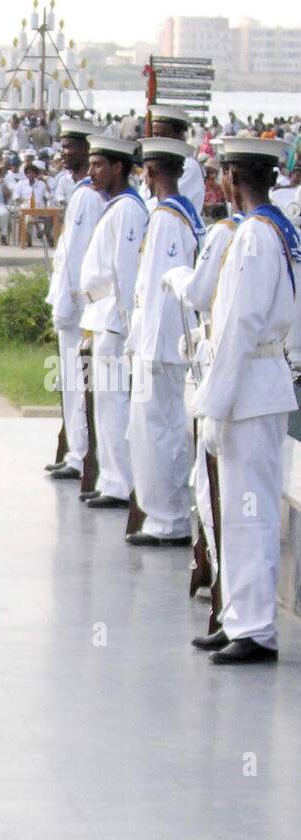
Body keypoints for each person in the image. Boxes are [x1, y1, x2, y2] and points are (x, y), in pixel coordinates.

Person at [182, 138, 300, 663]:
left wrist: (213, 401)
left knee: (248, 511)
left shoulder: (254, 235)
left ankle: (255, 628)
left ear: (232, 179)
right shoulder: (278, 228)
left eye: (222, 175)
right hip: (258, 382)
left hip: (248, 387)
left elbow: (238, 326)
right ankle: (238, 617)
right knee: (237, 507)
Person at [163, 167, 245, 602]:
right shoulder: (281, 234)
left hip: (223, 375)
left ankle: (218, 577)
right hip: (248, 370)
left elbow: (198, 294)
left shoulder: (231, 234)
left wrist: (176, 278)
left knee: (212, 486)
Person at [122, 137, 203, 547]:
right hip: (162, 342)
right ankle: (165, 513)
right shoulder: (177, 213)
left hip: (162, 346)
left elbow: (161, 288)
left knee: (158, 430)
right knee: (158, 427)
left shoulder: (169, 218)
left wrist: (148, 348)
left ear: (151, 172)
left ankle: (168, 518)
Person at [78, 134, 147, 510]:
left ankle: (121, 483)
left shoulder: (128, 210)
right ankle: (111, 477)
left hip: (112, 318)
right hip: (99, 314)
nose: (92, 171)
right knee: (104, 405)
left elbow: (127, 271)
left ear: (119, 168)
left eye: (99, 164)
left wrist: (123, 324)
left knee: (114, 404)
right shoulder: (115, 207)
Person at [44, 119, 104, 483]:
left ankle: (81, 456)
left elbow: (79, 257)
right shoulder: (81, 190)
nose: (65, 152)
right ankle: (76, 452)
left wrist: (67, 303)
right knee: (71, 382)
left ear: (86, 150)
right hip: (73, 304)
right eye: (63, 145)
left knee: (77, 382)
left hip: (79, 307)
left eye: (71, 145)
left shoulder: (87, 195)